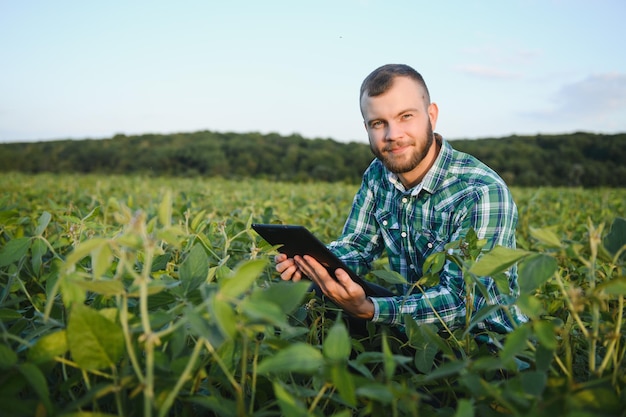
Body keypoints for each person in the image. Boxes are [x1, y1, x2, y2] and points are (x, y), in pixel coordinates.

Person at [275, 64, 526, 337]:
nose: (392, 134)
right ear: (367, 128)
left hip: (483, 345)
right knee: (316, 292)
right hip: (413, 328)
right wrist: (314, 264)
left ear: (432, 115)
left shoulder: (480, 191)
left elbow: (465, 303)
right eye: (378, 123)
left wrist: (371, 309)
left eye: (405, 116)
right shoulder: (378, 174)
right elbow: (358, 247)